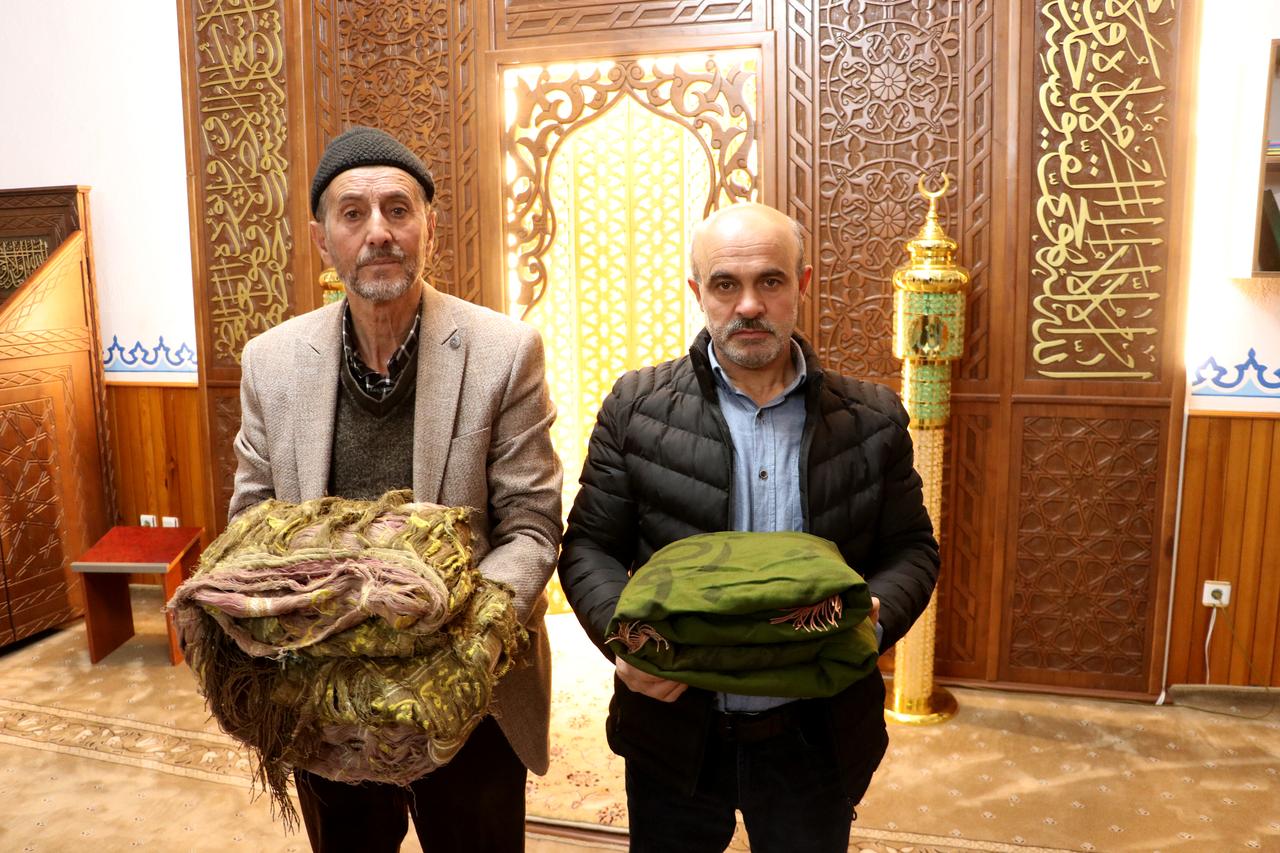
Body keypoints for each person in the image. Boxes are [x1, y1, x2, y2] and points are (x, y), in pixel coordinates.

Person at [558, 202, 940, 853]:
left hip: (815, 732)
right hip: (674, 726)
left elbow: (912, 549)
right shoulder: (636, 407)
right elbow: (591, 546)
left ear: (802, 284)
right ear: (697, 291)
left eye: (770, 281)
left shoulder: (872, 420)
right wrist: (626, 641)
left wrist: (871, 621)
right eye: (725, 284)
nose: (749, 305)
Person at [229, 125, 563, 852]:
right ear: (322, 239)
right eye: (353, 213)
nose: (378, 231)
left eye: (398, 209)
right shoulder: (271, 362)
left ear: (428, 228)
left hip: (470, 695)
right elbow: (252, 521)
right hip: (322, 694)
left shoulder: (504, 352)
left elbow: (532, 526)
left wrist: (457, 647)